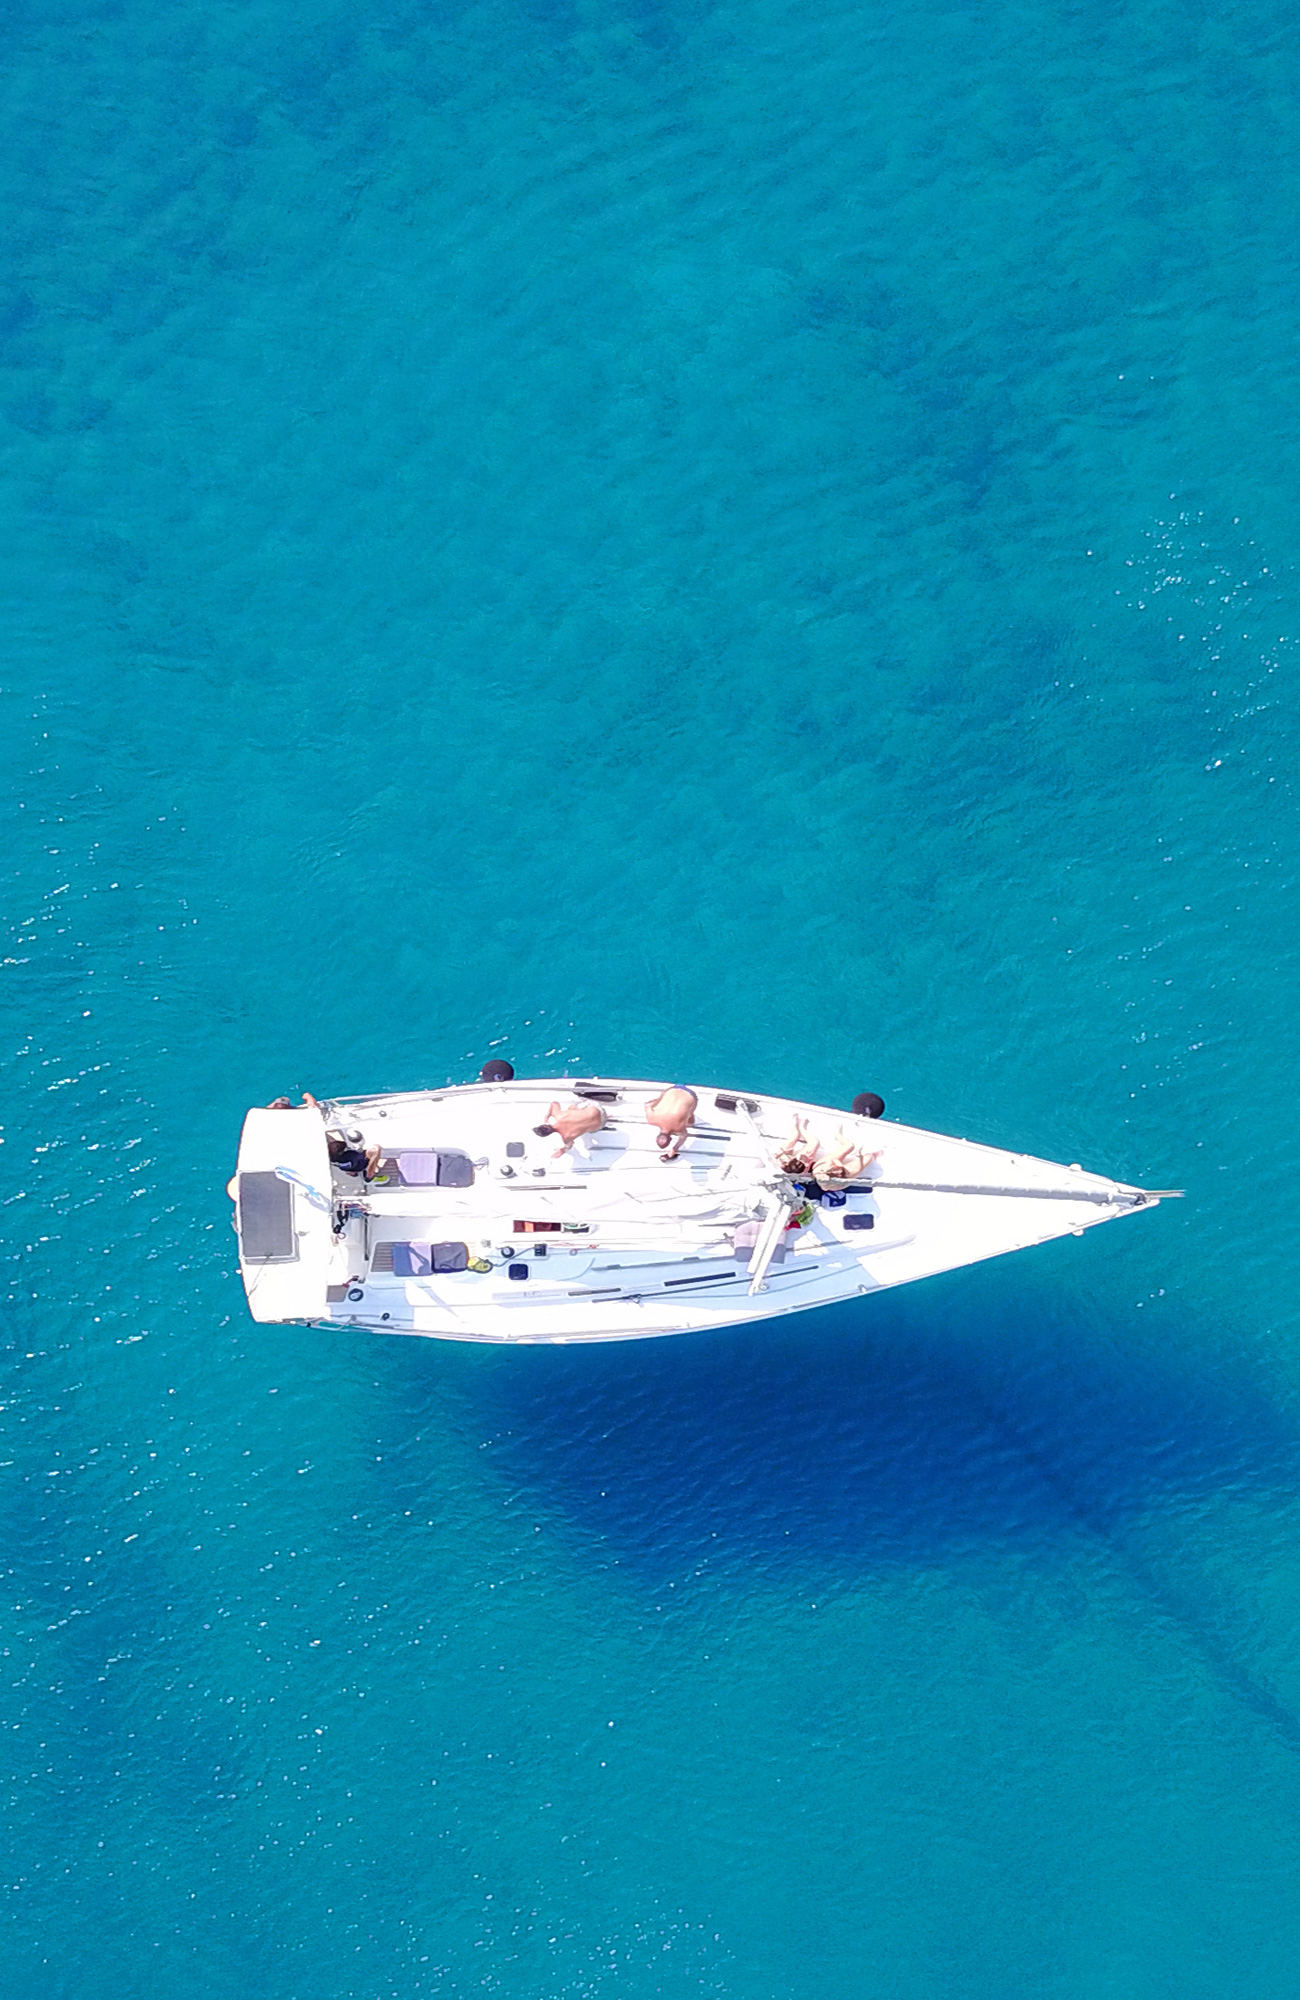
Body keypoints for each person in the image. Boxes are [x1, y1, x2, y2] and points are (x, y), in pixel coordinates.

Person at [267, 1092, 380, 1178]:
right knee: (375, 1150)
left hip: (333, 1159)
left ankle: (354, 1172)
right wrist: (306, 1096)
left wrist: (275, 1108)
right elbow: (310, 1102)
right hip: (344, 1161)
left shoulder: (277, 1128)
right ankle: (369, 1175)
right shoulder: (305, 1120)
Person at [534, 1099, 606, 1157]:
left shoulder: (566, 1137)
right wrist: (547, 1116)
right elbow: (554, 1103)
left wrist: (562, 1150)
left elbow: (569, 1145)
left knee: (583, 1131)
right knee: (572, 1107)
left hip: (600, 1124)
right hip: (598, 1111)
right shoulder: (558, 1116)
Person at [645, 1085, 697, 1161]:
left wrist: (674, 1148)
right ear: (657, 1136)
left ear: (671, 1138)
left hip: (690, 1094)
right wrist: (659, 1100)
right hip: (671, 1089)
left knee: (690, 1123)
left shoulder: (678, 1128)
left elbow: (684, 1136)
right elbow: (647, 1105)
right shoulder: (651, 1120)